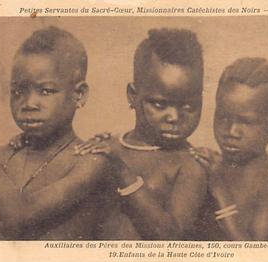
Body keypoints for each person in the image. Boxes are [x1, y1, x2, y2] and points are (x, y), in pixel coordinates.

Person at [0, 26, 117, 240]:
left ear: (79, 95)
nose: (29, 103)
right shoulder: (6, 155)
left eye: (46, 91)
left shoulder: (90, 161)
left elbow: (21, 215)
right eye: (18, 91)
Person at [75, 28, 207, 240]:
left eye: (189, 106)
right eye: (159, 104)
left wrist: (122, 171)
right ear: (133, 96)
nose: (174, 116)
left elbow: (171, 237)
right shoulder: (110, 146)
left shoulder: (190, 165)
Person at [192, 57, 268, 240]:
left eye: (246, 122)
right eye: (223, 117)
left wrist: (219, 190)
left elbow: (252, 258)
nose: (231, 131)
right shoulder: (207, 164)